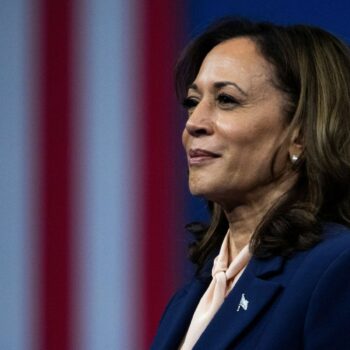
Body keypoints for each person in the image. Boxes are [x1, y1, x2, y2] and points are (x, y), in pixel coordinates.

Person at [151, 18, 350, 350]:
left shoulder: (336, 269)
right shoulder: (189, 300)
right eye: (192, 102)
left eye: (226, 100)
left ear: (300, 133)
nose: (194, 124)